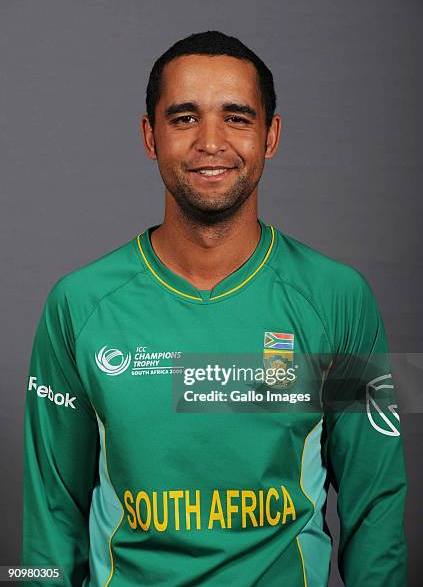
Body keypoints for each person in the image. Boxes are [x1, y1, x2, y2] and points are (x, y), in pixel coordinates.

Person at [21, 30, 407, 586]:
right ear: (149, 136)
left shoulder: (338, 299)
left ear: (270, 136)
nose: (211, 142)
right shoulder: (77, 306)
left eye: (236, 117)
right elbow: (49, 522)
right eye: (183, 118)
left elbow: (376, 505)